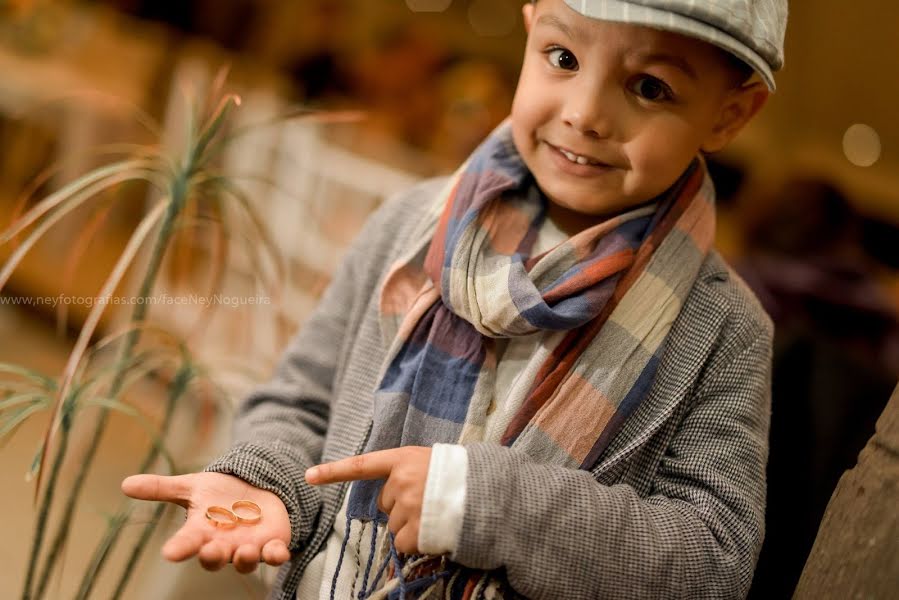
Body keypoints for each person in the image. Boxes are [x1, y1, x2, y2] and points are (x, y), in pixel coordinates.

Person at [121, 1, 787, 598]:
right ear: (529, 30)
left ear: (730, 113)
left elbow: (712, 558)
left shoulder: (723, 332)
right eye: (563, 58)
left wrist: (484, 503)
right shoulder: (410, 225)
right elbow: (300, 400)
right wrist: (264, 480)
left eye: (649, 87)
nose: (584, 113)